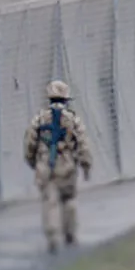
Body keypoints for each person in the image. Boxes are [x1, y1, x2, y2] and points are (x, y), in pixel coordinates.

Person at [23, 79, 93, 254]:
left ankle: (53, 237)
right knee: (69, 199)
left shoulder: (39, 118)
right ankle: (70, 234)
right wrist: (85, 164)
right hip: (67, 164)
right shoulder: (73, 119)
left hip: (45, 164)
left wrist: (32, 161)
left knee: (50, 201)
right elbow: (83, 143)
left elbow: (30, 142)